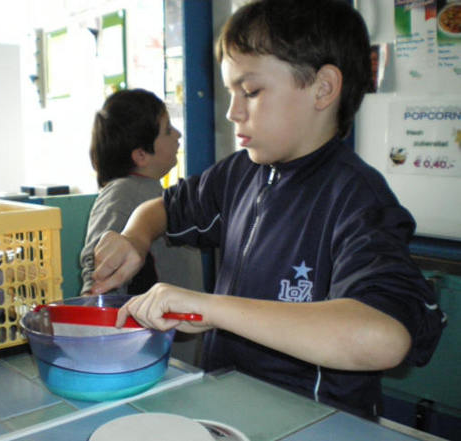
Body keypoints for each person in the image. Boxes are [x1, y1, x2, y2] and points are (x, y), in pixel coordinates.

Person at [88, 0, 446, 419]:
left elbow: (382, 336)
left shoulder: (357, 198)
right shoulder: (240, 174)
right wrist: (134, 237)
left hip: (311, 422)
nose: (232, 111)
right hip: (233, 408)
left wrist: (211, 307)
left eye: (251, 91)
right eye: (230, 92)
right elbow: (161, 209)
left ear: (323, 89)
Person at [80, 88, 202, 296]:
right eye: (167, 130)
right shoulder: (121, 194)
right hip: (154, 327)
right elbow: (99, 273)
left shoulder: (150, 190)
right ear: (141, 155)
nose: (178, 134)